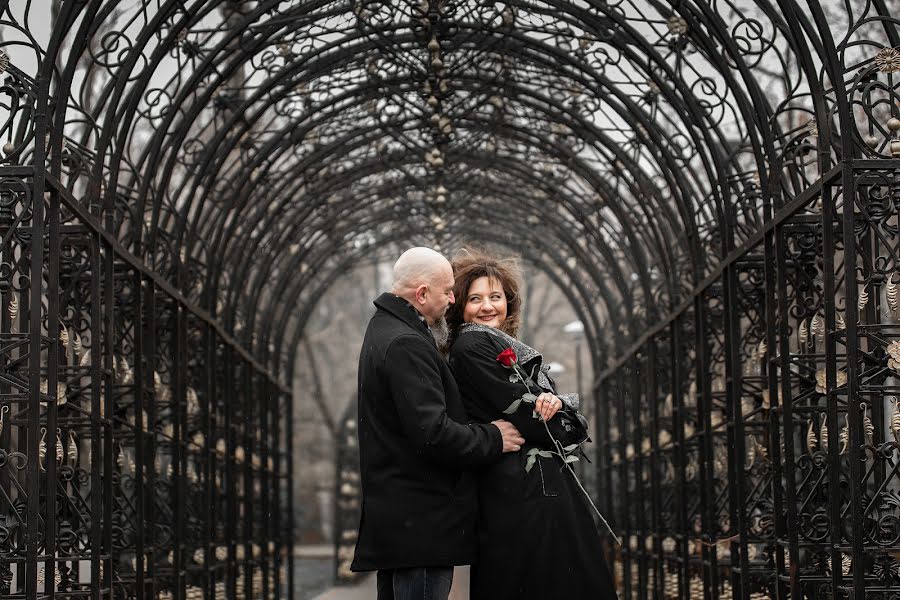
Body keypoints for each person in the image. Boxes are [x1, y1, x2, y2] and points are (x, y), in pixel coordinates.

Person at [352, 247, 526, 600]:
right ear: (421, 294)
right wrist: (493, 437)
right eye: (447, 290)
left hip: (403, 522)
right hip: (422, 524)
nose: (452, 298)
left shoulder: (385, 330)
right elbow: (432, 433)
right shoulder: (406, 343)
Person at [446, 249, 619, 600]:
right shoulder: (474, 343)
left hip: (525, 486)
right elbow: (544, 426)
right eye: (475, 298)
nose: (487, 307)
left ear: (508, 302)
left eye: (495, 297)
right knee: (544, 581)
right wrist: (561, 419)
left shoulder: (495, 344)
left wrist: (556, 408)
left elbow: (550, 423)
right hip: (522, 490)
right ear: (460, 306)